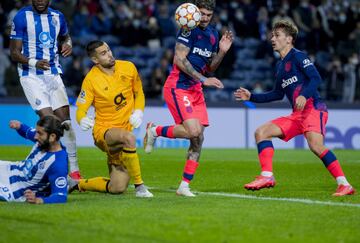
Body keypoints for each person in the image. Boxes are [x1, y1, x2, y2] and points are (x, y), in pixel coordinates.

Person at [234, 20, 355, 196]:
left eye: (277, 35)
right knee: (261, 132)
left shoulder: (299, 56)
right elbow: (276, 94)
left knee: (316, 146)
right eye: (272, 35)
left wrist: (304, 95)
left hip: (314, 108)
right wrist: (251, 96)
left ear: (289, 39)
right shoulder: (280, 66)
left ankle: (344, 184)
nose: (272, 38)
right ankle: (267, 176)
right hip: (297, 114)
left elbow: (316, 78)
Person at [144, 0, 234, 197]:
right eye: (201, 13)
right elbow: (180, 60)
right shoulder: (187, 30)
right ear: (194, 11)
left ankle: (184, 185)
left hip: (195, 90)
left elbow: (210, 67)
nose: (204, 18)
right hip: (178, 87)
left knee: (198, 138)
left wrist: (222, 52)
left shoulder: (212, 34)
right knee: (193, 131)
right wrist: (204, 80)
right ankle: (155, 130)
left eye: (209, 15)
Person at [9, 0, 81, 179]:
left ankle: (74, 170)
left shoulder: (58, 17)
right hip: (31, 75)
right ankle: (49, 168)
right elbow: (14, 53)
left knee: (66, 124)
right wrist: (34, 62)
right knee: (49, 121)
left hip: (53, 74)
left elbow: (65, 36)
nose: (40, 1)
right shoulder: (21, 17)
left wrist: (68, 44)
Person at [71, 40, 153, 198]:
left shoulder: (128, 67)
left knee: (117, 187)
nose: (109, 54)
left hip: (124, 130)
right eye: (103, 53)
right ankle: (140, 187)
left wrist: (138, 112)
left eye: (108, 50)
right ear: (95, 60)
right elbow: (81, 109)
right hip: (104, 131)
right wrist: (81, 119)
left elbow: (139, 92)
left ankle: (77, 184)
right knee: (129, 138)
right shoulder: (91, 80)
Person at [0, 116, 68, 204]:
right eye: (36, 132)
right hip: (9, 169)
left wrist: (39, 200)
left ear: (52, 137)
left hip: (12, 189)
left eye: (39, 133)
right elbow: (27, 131)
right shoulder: (43, 141)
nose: (35, 137)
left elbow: (60, 196)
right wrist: (19, 126)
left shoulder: (58, 164)